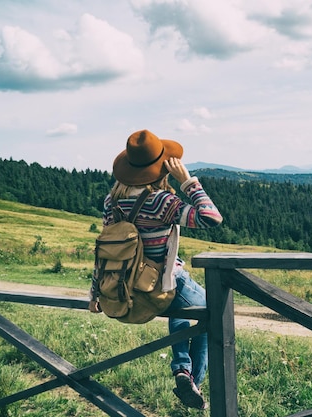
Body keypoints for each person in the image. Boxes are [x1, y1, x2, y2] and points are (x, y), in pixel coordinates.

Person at [88, 129, 223, 410]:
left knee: (187, 306)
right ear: (161, 169)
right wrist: (187, 182)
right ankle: (187, 374)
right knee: (212, 310)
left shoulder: (111, 202)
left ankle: (186, 372)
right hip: (161, 284)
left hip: (126, 286)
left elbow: (104, 252)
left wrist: (94, 294)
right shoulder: (163, 202)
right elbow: (211, 217)